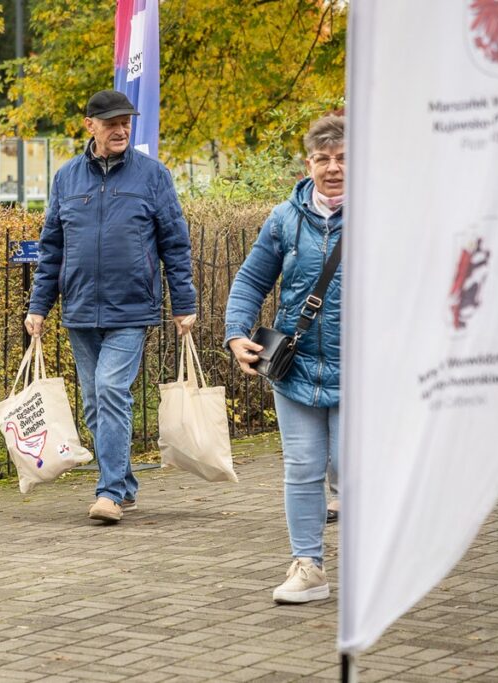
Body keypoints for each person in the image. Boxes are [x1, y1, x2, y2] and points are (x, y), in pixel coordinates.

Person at [25, 89, 197, 523]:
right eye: (112, 123)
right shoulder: (67, 178)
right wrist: (39, 306)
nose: (121, 129)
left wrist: (184, 303)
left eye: (126, 122)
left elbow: (175, 244)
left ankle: (111, 492)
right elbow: (52, 248)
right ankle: (126, 484)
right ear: (90, 127)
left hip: (131, 308)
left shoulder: (152, 176)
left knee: (110, 390)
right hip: (80, 309)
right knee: (93, 403)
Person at [224, 114, 344, 603]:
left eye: (342, 158)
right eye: (323, 159)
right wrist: (236, 334)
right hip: (296, 369)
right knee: (302, 467)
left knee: (350, 467)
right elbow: (252, 281)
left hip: (363, 368)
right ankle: (308, 567)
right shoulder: (285, 218)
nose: (333, 168)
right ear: (308, 163)